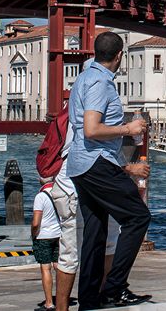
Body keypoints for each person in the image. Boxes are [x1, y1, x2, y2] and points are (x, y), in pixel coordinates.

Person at [67, 32, 152, 309]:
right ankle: (115, 288)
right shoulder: (100, 83)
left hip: (81, 165)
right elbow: (92, 129)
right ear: (119, 56)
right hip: (96, 162)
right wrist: (129, 128)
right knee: (138, 217)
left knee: (95, 229)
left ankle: (91, 299)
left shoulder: (82, 77)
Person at [51, 106, 122, 311]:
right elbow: (94, 137)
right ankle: (96, 299)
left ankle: (83, 303)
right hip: (79, 178)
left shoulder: (75, 102)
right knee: (87, 245)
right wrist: (127, 129)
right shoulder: (96, 98)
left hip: (71, 180)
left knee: (78, 248)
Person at [33, 177, 62, 311]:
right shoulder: (59, 193)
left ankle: (49, 303)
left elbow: (35, 222)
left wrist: (33, 234)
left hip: (43, 236)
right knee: (58, 266)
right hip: (58, 235)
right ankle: (62, 300)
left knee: (46, 268)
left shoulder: (41, 196)